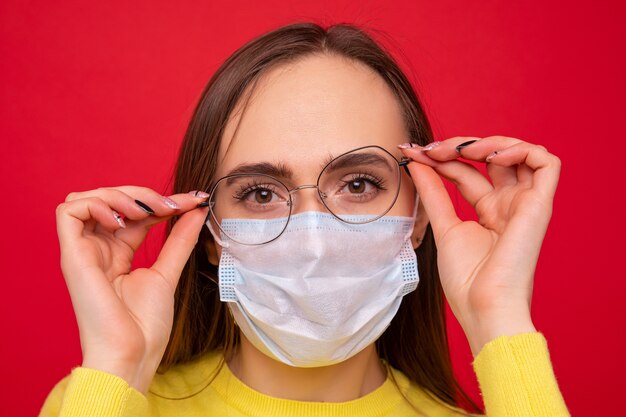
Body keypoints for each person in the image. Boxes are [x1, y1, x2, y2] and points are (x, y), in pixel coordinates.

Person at [39, 22, 570, 416]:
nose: (314, 238)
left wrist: (498, 317)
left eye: (359, 184)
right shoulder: (100, 400)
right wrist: (117, 364)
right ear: (208, 233)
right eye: (261, 192)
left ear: (419, 215)